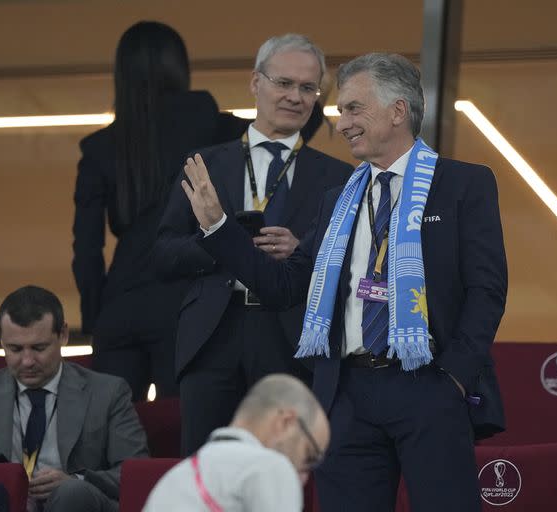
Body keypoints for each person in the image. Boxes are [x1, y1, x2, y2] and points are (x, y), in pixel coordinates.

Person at [179, 53, 507, 512]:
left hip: (428, 385)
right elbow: (286, 286)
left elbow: (487, 290)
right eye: (341, 111)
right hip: (346, 394)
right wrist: (219, 229)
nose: (341, 122)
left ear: (398, 111)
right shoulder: (338, 199)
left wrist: (452, 378)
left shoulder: (463, 184)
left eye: (354, 108)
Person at [72, 22, 326, 402]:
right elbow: (282, 128)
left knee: (111, 429)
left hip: (119, 302)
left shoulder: (99, 147)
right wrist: (309, 96)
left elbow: (86, 250)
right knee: (180, 426)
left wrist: (96, 318)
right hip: (183, 301)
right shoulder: (206, 120)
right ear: (179, 67)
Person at [155, 33, 352, 455]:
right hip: (213, 334)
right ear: (255, 83)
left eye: (307, 88)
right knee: (206, 472)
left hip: (292, 339)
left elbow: (352, 262)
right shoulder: (205, 164)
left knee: (284, 472)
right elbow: (163, 253)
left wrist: (304, 249)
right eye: (283, 83)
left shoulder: (338, 176)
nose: (295, 97)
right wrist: (221, 239)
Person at [0, 286, 148, 512]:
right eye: (15, 349)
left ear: (63, 335)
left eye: (39, 348)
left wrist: (76, 480)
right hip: (5, 503)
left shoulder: (108, 392)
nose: (27, 361)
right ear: (1, 341)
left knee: (71, 493)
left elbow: (135, 473)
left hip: (77, 502)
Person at [143, 374, 330, 511]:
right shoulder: (271, 466)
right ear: (286, 422)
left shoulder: (177, 476)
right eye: (309, 456)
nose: (305, 477)